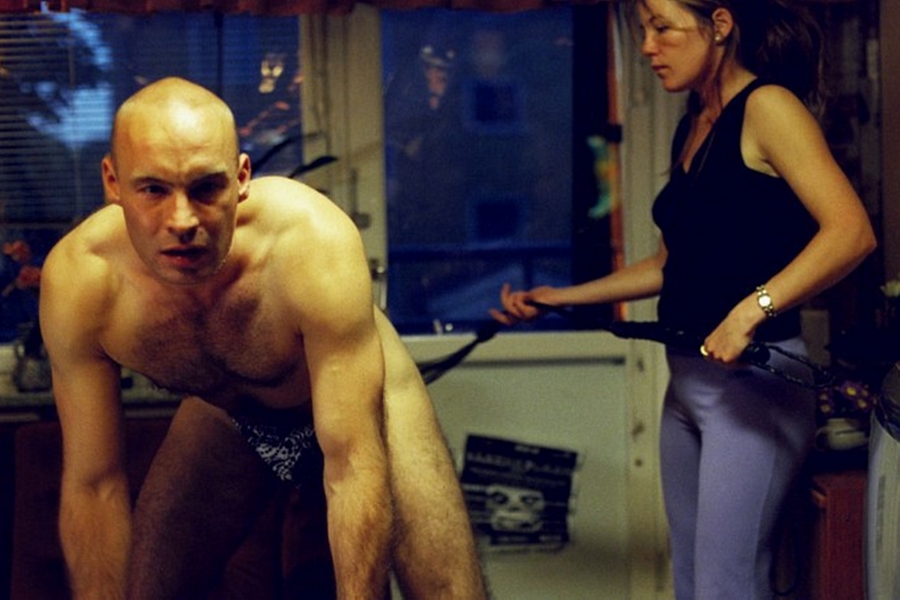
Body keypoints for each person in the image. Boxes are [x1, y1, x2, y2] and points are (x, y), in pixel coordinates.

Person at [40, 76, 487, 599]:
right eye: (153, 190)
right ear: (113, 183)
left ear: (241, 178)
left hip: (364, 408)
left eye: (206, 188)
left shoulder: (308, 241)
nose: (182, 220)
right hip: (228, 417)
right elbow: (94, 485)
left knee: (449, 594)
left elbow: (352, 463)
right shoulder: (82, 282)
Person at [492, 1, 876, 598]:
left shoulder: (769, 107)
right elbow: (667, 266)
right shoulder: (694, 121)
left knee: (726, 586)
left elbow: (851, 233)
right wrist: (560, 297)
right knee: (693, 584)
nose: (647, 46)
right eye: (644, 29)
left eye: (662, 27)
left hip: (753, 388)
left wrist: (750, 311)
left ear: (719, 25)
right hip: (687, 387)